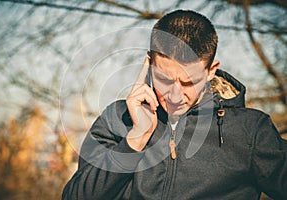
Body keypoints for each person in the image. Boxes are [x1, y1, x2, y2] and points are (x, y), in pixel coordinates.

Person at [62, 10, 287, 200]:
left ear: (211, 71)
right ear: (149, 63)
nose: (176, 95)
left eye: (189, 82)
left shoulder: (251, 130)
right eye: (165, 80)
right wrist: (135, 140)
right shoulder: (117, 118)